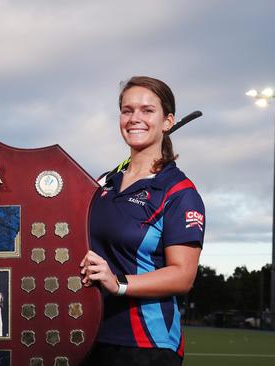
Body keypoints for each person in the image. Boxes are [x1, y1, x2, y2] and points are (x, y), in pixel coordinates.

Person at [80, 76, 205, 366]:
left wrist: (119, 283)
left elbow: (183, 276)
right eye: (127, 110)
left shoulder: (178, 192)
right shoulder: (102, 185)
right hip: (87, 335)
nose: (135, 118)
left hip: (145, 346)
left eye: (148, 110)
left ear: (168, 121)